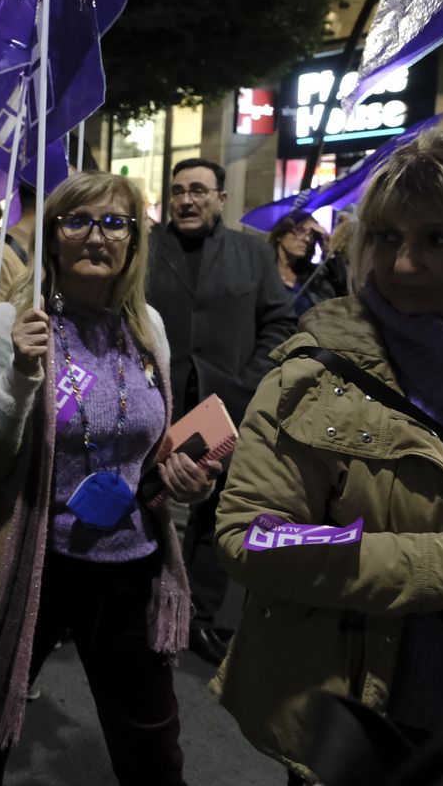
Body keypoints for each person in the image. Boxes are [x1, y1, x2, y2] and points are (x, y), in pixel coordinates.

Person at [0, 171, 219, 785]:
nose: (98, 235)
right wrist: (18, 379)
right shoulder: (10, 325)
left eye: (116, 222)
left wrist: (183, 479)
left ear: (136, 241)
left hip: (129, 565)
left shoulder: (149, 330)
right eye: (78, 220)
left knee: (153, 750)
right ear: (53, 238)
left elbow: (145, 457)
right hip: (30, 566)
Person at [213, 126, 443, 785]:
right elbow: (253, 538)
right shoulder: (314, 374)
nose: (405, 264)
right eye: (386, 237)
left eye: (439, 238)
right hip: (367, 725)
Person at [144, 157, 296, 665]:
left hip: (227, 407)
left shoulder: (253, 253)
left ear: (221, 199)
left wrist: (249, 383)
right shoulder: (144, 251)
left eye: (198, 191)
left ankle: (200, 616)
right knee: (149, 499)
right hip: (155, 402)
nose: (186, 199)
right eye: (178, 191)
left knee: (217, 509)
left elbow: (280, 322)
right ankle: (143, 603)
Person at [267, 210, 335, 314]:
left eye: (311, 235)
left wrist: (326, 245)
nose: (307, 239)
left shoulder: (312, 276)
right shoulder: (263, 270)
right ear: (280, 235)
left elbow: (337, 290)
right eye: (299, 231)